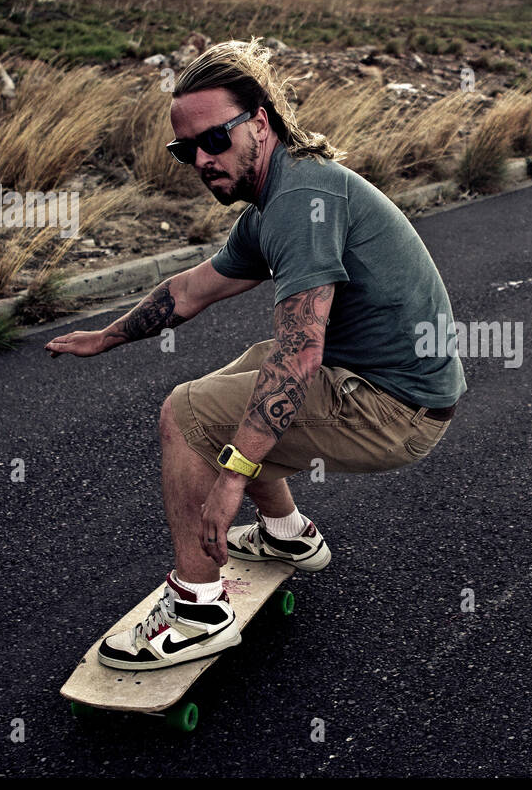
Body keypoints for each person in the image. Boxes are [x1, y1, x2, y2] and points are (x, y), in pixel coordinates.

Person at [44, 38, 466, 669]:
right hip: (392, 389)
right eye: (185, 150)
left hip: (397, 411)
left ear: (260, 123)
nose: (201, 160)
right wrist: (107, 336)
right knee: (253, 362)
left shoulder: (300, 204)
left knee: (187, 416)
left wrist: (231, 479)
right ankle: (289, 535)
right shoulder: (281, 195)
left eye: (215, 140)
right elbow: (189, 291)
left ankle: (198, 610)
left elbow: (301, 359)